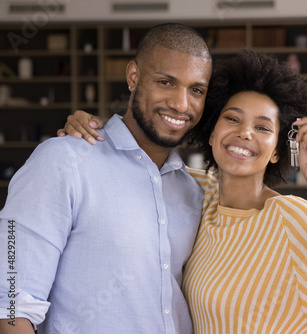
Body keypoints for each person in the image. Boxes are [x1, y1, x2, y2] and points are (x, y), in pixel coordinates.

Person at [59, 49, 307, 333]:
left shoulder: (289, 218)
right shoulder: (192, 190)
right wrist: (93, 133)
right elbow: (132, 165)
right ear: (211, 133)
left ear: (276, 150)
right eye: (233, 119)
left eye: (262, 127)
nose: (245, 133)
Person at [0, 23, 212, 334]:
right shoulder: (64, 161)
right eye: (166, 82)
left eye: (196, 90)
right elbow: (11, 305)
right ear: (133, 76)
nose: (182, 104)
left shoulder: (194, 191)